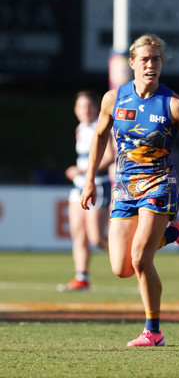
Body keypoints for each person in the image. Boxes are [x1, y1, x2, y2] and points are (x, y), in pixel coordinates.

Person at [81, 33, 179, 347]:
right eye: (145, 59)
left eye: (156, 59)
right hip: (124, 188)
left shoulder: (176, 105)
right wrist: (88, 179)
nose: (151, 64)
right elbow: (99, 138)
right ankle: (177, 234)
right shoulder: (114, 98)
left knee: (140, 259)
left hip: (159, 185)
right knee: (121, 268)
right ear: (132, 63)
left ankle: (153, 332)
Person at [58, 91, 115, 292]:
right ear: (76, 110)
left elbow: (109, 156)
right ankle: (81, 277)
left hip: (97, 185)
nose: (86, 110)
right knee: (78, 233)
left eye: (89, 106)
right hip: (78, 186)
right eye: (81, 106)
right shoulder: (80, 129)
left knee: (96, 238)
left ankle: (129, 261)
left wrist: (83, 171)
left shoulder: (101, 126)